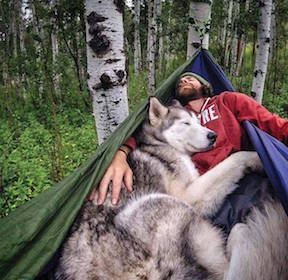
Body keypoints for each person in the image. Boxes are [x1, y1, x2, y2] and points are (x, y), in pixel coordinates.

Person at [90, 72, 288, 208]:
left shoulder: (227, 101)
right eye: (181, 81)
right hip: (193, 190)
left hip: (240, 186)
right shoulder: (176, 116)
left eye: (191, 79)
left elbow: (274, 126)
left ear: (204, 86)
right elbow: (145, 133)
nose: (184, 81)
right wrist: (121, 152)